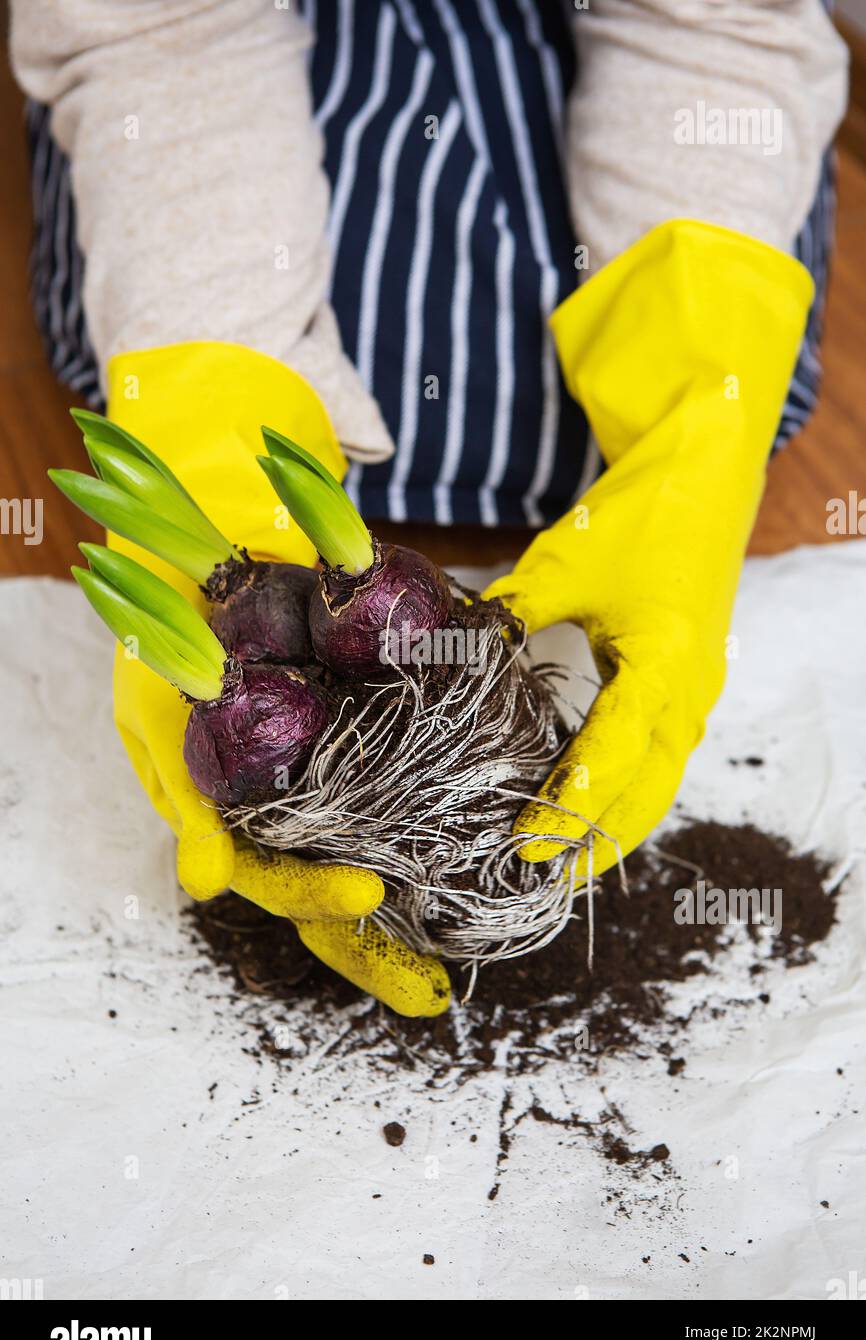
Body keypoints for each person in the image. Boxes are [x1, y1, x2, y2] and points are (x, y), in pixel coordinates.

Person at [10, 0, 848, 1015]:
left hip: (603, 91)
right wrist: (212, 415)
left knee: (722, 350)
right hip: (225, 100)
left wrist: (692, 429)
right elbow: (154, 35)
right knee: (158, 298)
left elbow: (719, 25)